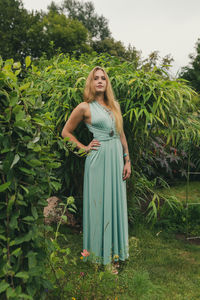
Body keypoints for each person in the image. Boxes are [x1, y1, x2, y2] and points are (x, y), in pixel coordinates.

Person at [62, 66, 131, 272]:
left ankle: (115, 253)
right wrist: (84, 147)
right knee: (99, 204)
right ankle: (101, 257)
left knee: (115, 203)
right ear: (91, 83)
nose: (100, 81)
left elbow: (121, 133)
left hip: (116, 159)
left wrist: (127, 159)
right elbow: (65, 132)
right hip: (98, 160)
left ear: (107, 83)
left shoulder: (115, 105)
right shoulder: (85, 107)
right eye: (95, 78)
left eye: (103, 78)